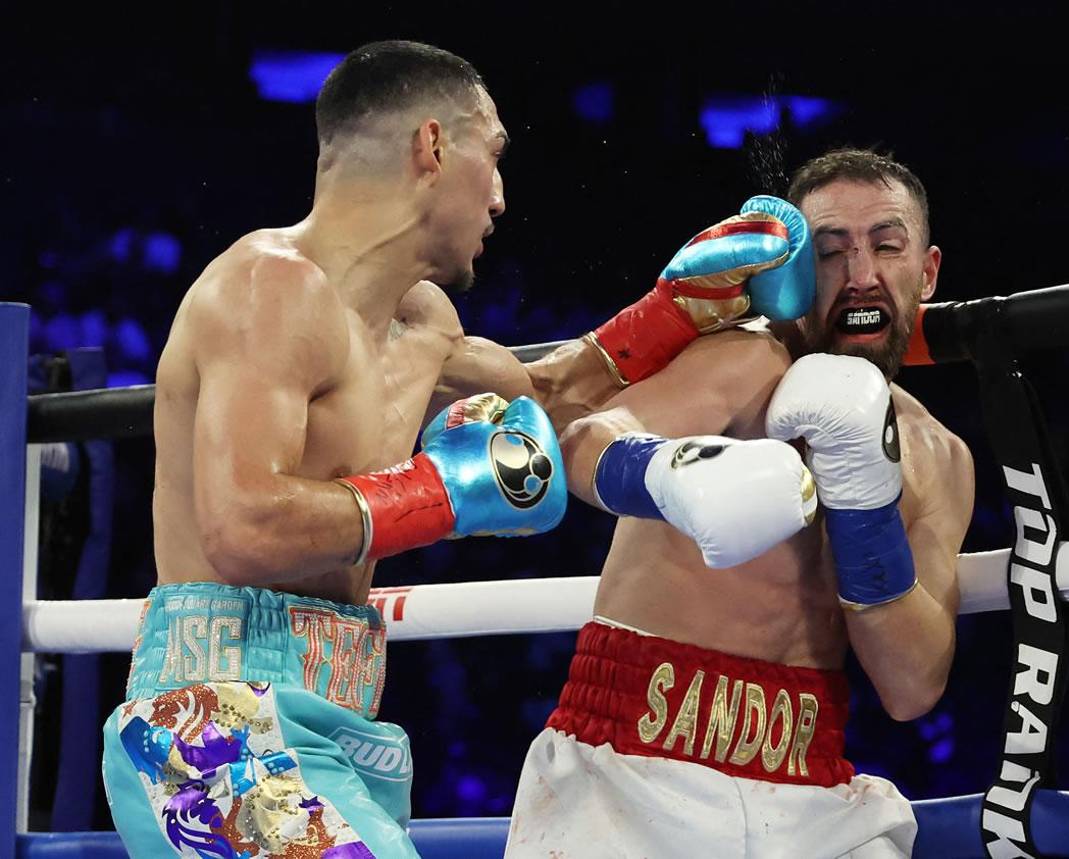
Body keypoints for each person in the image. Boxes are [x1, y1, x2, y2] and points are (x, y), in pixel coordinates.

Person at [98, 40, 820, 858]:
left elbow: (545, 399)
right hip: (214, 726)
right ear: (433, 147)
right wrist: (441, 492)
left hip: (336, 721)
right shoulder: (269, 287)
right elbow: (242, 527)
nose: (501, 196)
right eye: (495, 154)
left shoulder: (422, 322)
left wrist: (675, 309)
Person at [507, 148, 976, 859]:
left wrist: (865, 510)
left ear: (928, 271)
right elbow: (585, 440)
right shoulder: (744, 361)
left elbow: (912, 686)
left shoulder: (939, 457)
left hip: (811, 788)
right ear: (796, 273)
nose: (860, 275)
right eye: (830, 253)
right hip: (632, 764)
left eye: (886, 246)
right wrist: (668, 474)